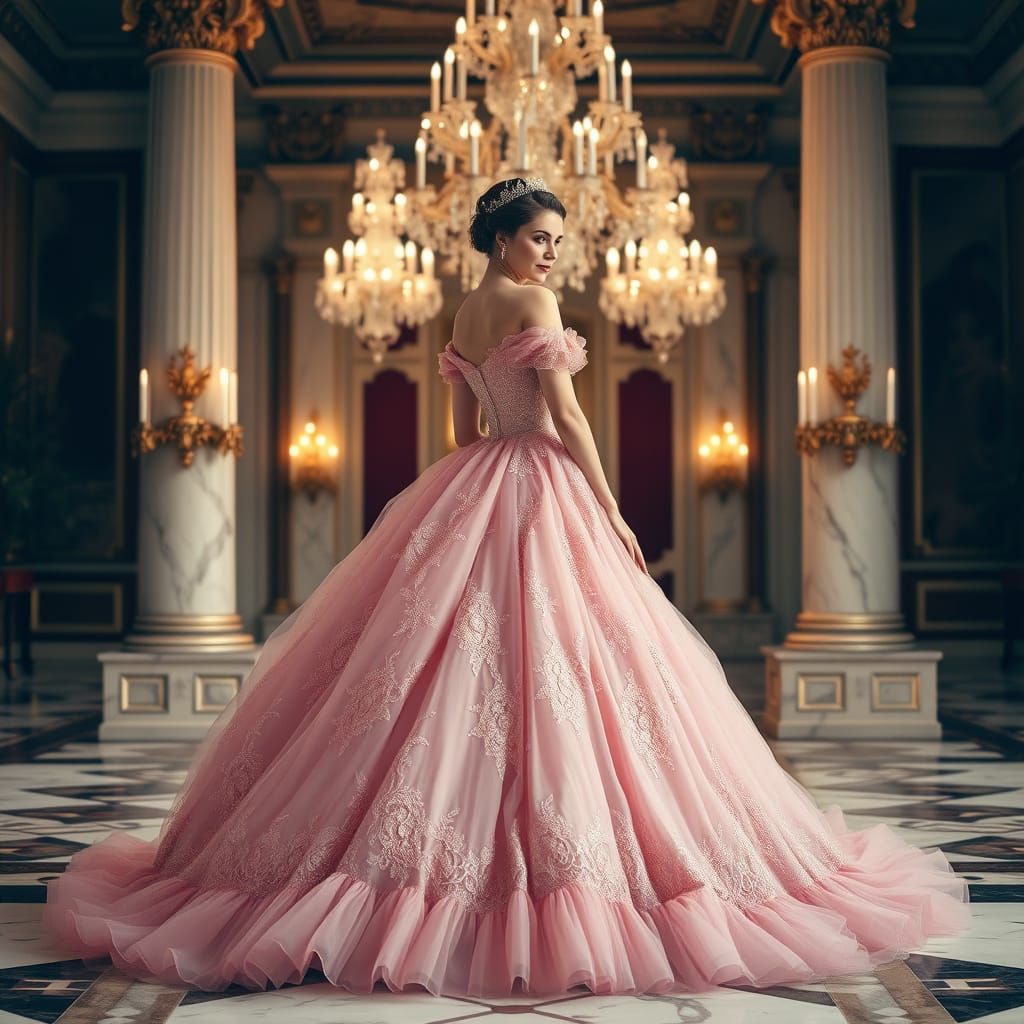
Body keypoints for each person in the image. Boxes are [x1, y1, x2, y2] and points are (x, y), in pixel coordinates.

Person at [42, 176, 971, 998]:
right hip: (545, 486)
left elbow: (460, 434)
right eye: (540, 237)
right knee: (564, 667)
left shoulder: (460, 316)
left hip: (475, 486)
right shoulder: (534, 304)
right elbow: (566, 417)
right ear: (501, 239)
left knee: (440, 671)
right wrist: (609, 510)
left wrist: (488, 481)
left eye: (557, 241)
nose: (551, 253)